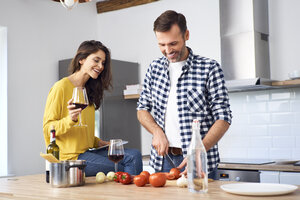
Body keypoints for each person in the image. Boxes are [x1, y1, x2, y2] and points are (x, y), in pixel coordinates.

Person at [137, 10, 232, 179]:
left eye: (173, 43)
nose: (167, 50)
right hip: (162, 161)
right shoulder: (154, 69)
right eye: (162, 44)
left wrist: (198, 151)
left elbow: (223, 117)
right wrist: (156, 131)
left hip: (200, 160)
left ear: (186, 35)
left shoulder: (209, 68)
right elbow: (142, 110)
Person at [43, 40, 143, 176]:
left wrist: (99, 142)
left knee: (134, 155)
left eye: (103, 63)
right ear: (81, 59)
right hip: (71, 157)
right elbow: (48, 129)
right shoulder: (61, 87)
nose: (100, 66)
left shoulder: (88, 90)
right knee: (120, 165)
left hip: (88, 151)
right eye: (96, 60)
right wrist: (69, 120)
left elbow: (82, 131)